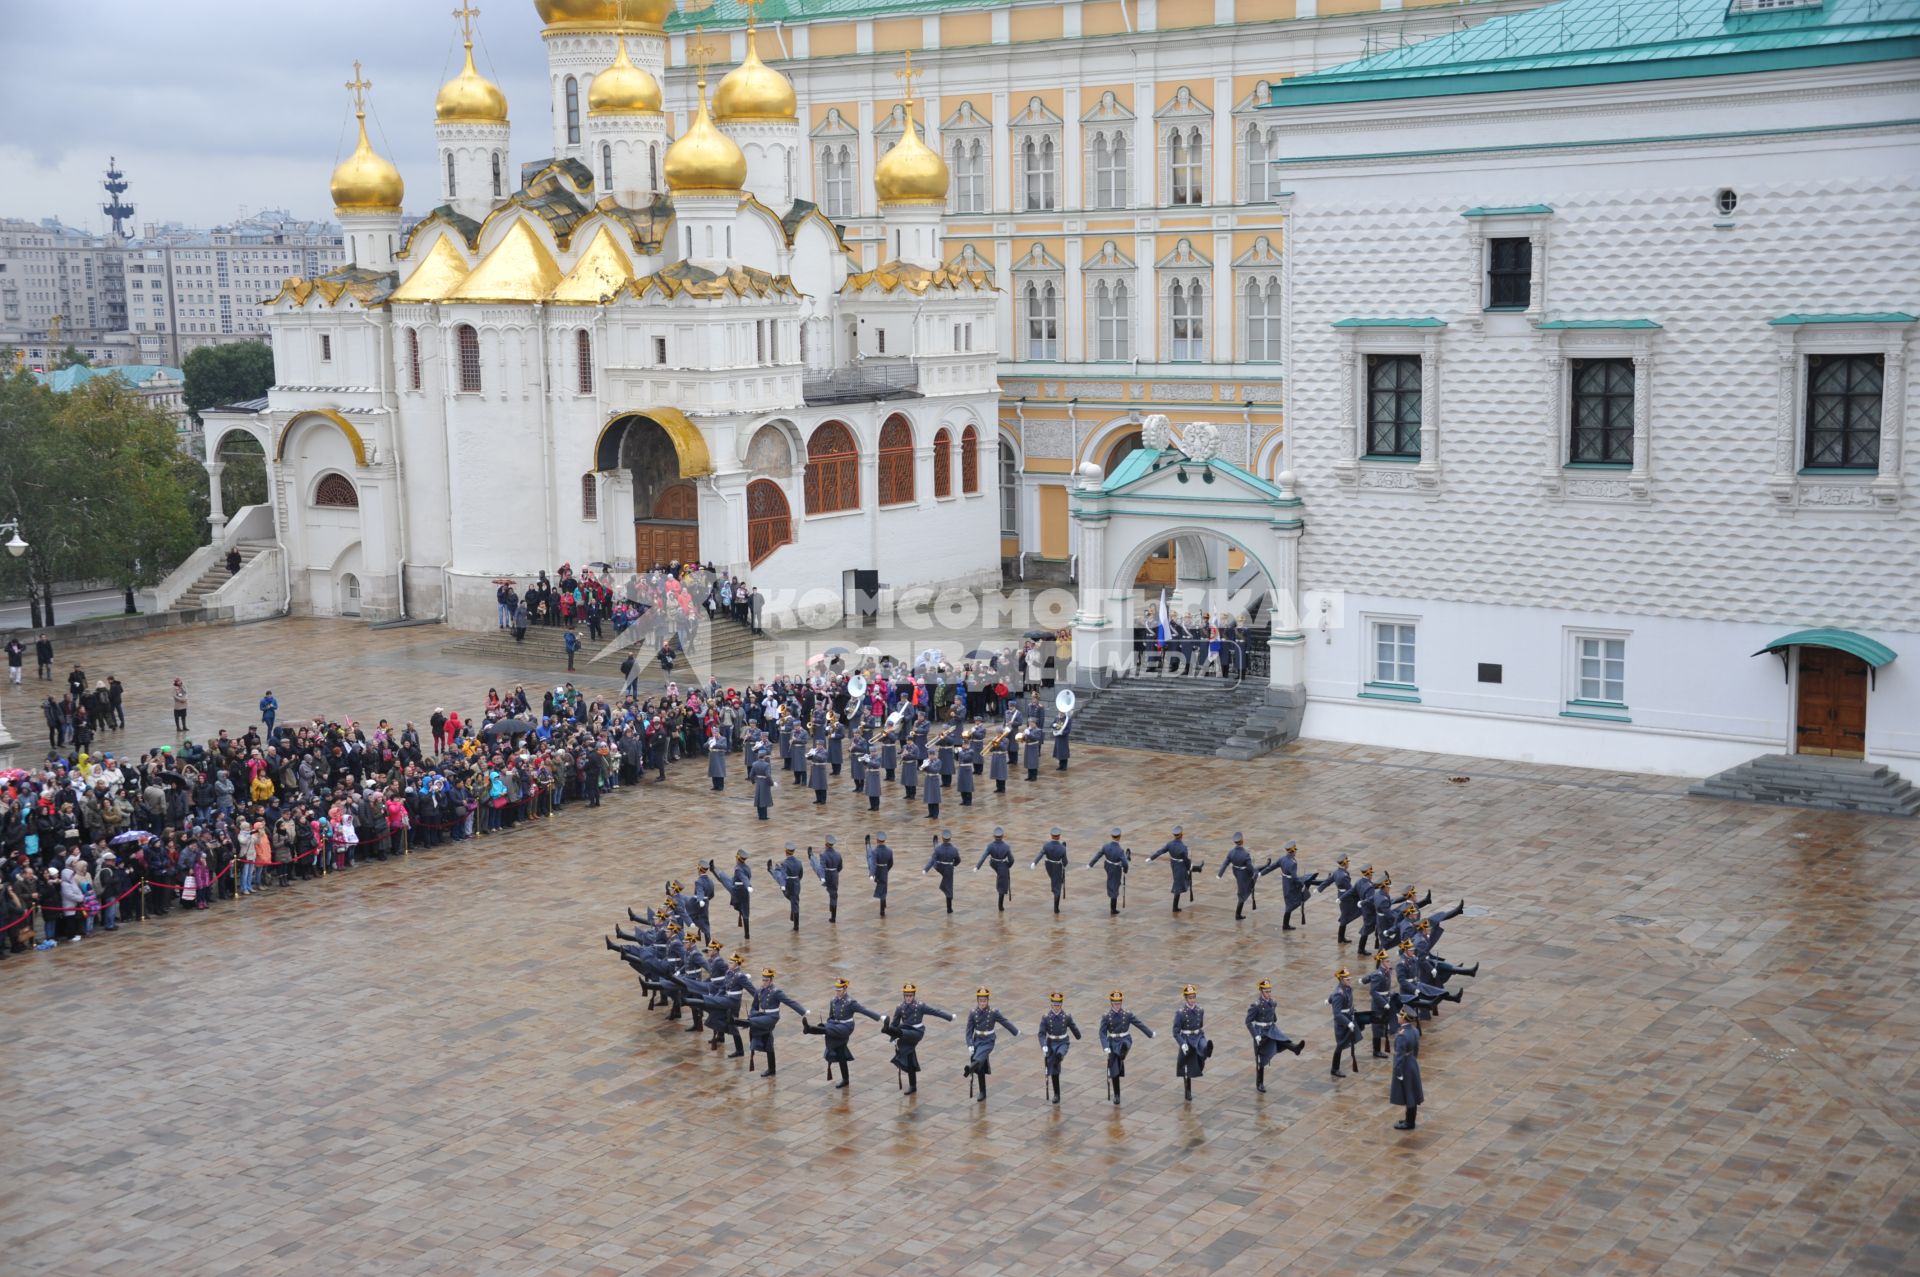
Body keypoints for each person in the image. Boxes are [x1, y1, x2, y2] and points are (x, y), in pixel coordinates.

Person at [802, 977, 881, 1089]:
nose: (837, 992)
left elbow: (864, 1010)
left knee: (828, 1030)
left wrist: (879, 1017)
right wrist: (828, 1026)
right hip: (835, 1026)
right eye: (836, 990)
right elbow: (831, 1017)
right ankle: (845, 1079)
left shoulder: (850, 1002)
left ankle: (809, 1029)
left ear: (845, 989)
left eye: (839, 990)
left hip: (846, 1027)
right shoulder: (833, 1001)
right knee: (840, 1051)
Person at [881, 982, 954, 1094]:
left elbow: (935, 1012)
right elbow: (895, 1023)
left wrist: (949, 1017)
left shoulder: (920, 1006)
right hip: (904, 1031)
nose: (908, 998)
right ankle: (913, 1086)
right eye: (906, 996)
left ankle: (886, 1030)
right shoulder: (900, 1007)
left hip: (916, 1032)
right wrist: (893, 1038)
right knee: (910, 1058)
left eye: (910, 996)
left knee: (900, 1032)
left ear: (914, 995)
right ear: (904, 996)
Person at [1245, 979, 1307, 1094]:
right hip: (1261, 1031)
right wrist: (1256, 1036)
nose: (1269, 993)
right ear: (1261, 992)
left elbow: (1274, 1017)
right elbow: (1248, 1022)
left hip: (1271, 1028)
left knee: (1281, 1038)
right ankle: (1260, 1083)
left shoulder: (1272, 1003)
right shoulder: (1256, 1005)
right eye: (1266, 991)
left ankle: (1295, 1048)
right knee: (1260, 1058)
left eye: (1270, 991)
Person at [958, 987, 1019, 1102]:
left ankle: (970, 1068)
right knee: (980, 1066)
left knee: (979, 1057)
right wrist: (970, 1044)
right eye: (980, 1000)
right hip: (977, 1040)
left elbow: (1004, 1021)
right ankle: (982, 1092)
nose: (982, 1003)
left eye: (984, 1000)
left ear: (988, 1000)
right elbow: (968, 1031)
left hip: (988, 1041)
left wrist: (1015, 1031)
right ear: (977, 1000)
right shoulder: (973, 1013)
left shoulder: (993, 1012)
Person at [746, 966, 807, 1078]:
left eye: (766, 980)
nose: (764, 982)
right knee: (768, 1040)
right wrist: (752, 1013)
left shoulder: (776, 992)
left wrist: (802, 1011)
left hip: (772, 1017)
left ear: (771, 980)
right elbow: (754, 1006)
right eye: (763, 979)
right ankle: (771, 1069)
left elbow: (789, 1002)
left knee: (751, 1023)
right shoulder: (759, 991)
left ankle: (743, 1023)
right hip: (762, 1016)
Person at [1098, 990, 1154, 1106]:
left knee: (1124, 1047)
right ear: (1111, 1002)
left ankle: (1122, 1054)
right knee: (1114, 1071)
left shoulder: (1127, 1014)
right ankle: (1117, 1094)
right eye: (1115, 1002)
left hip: (1125, 1039)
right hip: (1113, 1041)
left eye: (1119, 1002)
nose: (1117, 1004)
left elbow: (1139, 1024)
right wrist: (1105, 1047)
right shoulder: (1106, 1016)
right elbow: (1102, 1033)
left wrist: (1150, 1034)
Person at [1037, 992, 1082, 1105]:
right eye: (1054, 1005)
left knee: (1060, 1054)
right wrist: (1043, 1045)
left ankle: (1059, 1057)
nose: (1056, 1007)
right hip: (1051, 1043)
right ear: (1051, 1005)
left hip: (1062, 1042)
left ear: (1061, 1005)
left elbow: (1073, 1027)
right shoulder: (1046, 1018)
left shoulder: (1066, 1017)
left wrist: (1078, 1035)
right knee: (1054, 1071)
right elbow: (1041, 1034)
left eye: (1058, 1005)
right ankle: (1057, 1094)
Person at [1172, 983, 1212, 1103]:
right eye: (1190, 998)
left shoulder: (1200, 1010)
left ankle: (1207, 1051)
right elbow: (1175, 1032)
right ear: (1185, 998)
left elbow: (1200, 1026)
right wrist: (1182, 1043)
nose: (1192, 1000)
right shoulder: (1180, 1013)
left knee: (1204, 1046)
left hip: (1198, 1035)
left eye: (1194, 997)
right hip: (1187, 1038)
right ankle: (1187, 1090)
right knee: (1187, 1066)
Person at [1148, 824, 1199, 913]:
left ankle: (1198, 868)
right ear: (1181, 835)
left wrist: (1152, 857)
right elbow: (1186, 860)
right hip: (1180, 866)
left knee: (1179, 882)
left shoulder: (1170, 844)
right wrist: (1189, 867)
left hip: (1174, 864)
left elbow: (1161, 851)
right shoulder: (1183, 848)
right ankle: (1174, 908)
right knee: (1178, 885)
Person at [1391, 1010, 1423, 1130]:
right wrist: (1412, 1060)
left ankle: (1409, 1123)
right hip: (1412, 1062)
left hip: (1404, 1066)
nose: (1398, 1017)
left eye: (1399, 1016)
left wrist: (1398, 1072)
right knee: (1412, 1092)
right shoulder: (1414, 1030)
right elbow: (1416, 1049)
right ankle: (1409, 1119)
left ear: (1404, 1019)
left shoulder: (1402, 1035)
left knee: (1409, 1094)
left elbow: (1399, 1056)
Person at [1329, 968, 1362, 1077]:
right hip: (1342, 1023)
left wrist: (1329, 1000)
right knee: (1340, 1045)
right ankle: (1334, 1069)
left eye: (1349, 979)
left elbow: (1334, 997)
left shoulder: (1346, 988)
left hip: (1349, 1017)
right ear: (1342, 980)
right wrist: (1348, 1023)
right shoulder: (1339, 993)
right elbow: (1337, 1014)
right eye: (1347, 979)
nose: (1349, 981)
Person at [1088, 827, 1129, 916]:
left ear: (1112, 836)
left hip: (1107, 866)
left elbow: (1098, 855)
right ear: (1119, 837)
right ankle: (1113, 909)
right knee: (1115, 884)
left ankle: (1112, 903)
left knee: (1111, 882)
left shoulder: (1106, 846)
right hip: (1115, 869)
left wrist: (1090, 864)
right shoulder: (1120, 850)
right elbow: (1125, 863)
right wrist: (1125, 870)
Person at [975, 827, 1014, 912]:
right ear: (1002, 836)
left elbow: (983, 857)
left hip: (993, 863)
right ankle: (1000, 906)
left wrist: (977, 867)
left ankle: (1000, 876)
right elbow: (1012, 860)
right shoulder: (1006, 847)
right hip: (1002, 865)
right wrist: (1008, 866)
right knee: (1002, 886)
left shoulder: (990, 846)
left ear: (993, 836)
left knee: (1000, 876)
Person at [769, 842, 804, 932]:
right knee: (795, 900)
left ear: (786, 851)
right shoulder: (799, 862)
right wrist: (796, 881)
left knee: (779, 877)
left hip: (789, 885)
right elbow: (800, 875)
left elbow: (782, 876)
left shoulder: (784, 864)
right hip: (796, 883)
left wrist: (784, 884)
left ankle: (796, 926)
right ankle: (772, 869)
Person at [1032, 827, 1069, 914]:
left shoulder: (1046, 845)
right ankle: (1056, 908)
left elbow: (1040, 854)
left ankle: (1055, 890)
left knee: (1055, 881)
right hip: (1057, 867)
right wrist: (1064, 848)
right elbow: (1065, 863)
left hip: (1048, 866)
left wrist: (1034, 863)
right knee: (1057, 886)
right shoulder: (1062, 848)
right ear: (1059, 836)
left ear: (1051, 835)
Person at [807, 833, 842, 923]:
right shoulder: (838, 854)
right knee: (834, 895)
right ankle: (833, 916)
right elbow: (840, 867)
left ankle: (811, 856)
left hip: (825, 874)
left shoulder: (823, 854)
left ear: (826, 844)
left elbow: (822, 867)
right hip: (834, 875)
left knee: (816, 865)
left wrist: (822, 877)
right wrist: (835, 872)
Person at [924, 831, 961, 913]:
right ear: (950, 838)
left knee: (936, 855)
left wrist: (925, 869)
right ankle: (949, 908)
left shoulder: (939, 849)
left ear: (942, 838)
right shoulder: (954, 850)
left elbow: (932, 860)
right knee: (949, 887)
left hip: (939, 866)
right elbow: (958, 860)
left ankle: (935, 844)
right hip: (948, 869)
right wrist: (953, 865)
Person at [867, 831, 894, 917]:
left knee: (881, 888)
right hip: (884, 870)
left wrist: (871, 874)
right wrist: (886, 869)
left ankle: (882, 909)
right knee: (884, 887)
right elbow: (891, 863)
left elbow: (873, 864)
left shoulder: (875, 852)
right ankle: (883, 904)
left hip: (878, 870)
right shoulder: (890, 851)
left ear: (877, 840)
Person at [750, 745, 773, 821]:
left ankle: (760, 815)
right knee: (764, 799)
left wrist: (753, 781)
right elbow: (768, 776)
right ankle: (764, 816)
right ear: (764, 756)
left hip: (758, 782)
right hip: (764, 783)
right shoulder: (766, 765)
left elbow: (751, 775)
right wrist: (771, 783)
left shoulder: (754, 764)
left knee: (759, 799)